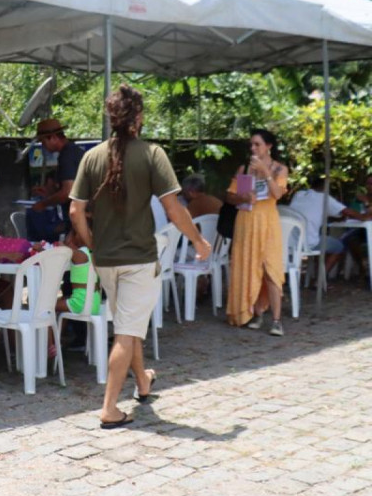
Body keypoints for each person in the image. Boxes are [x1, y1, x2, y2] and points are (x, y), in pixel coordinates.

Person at [69, 84, 210, 430]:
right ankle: (109, 409)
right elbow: (173, 209)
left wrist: (91, 244)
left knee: (128, 327)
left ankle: (143, 383)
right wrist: (198, 241)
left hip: (106, 261)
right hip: (139, 259)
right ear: (139, 118)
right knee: (127, 333)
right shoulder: (152, 154)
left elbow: (75, 210)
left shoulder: (92, 157)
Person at [225, 129, 288, 334]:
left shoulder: (279, 169)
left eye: (257, 144)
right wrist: (242, 198)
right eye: (251, 144)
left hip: (268, 221)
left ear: (269, 146)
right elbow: (230, 197)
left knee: (271, 269)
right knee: (248, 266)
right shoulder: (244, 169)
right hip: (246, 220)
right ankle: (254, 313)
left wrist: (265, 172)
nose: (253, 148)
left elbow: (278, 194)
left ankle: (277, 320)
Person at [289, 176, 372, 275]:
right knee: (341, 244)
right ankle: (320, 279)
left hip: (290, 241)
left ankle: (318, 276)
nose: (368, 186)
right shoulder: (324, 198)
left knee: (336, 241)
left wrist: (366, 203)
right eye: (368, 183)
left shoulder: (298, 194)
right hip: (309, 242)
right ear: (325, 188)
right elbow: (356, 215)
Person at [28, 119, 83, 238]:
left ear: (53, 138)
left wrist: (43, 204)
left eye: (43, 142)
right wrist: (50, 194)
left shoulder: (67, 156)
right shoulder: (72, 152)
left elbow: (68, 192)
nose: (43, 146)